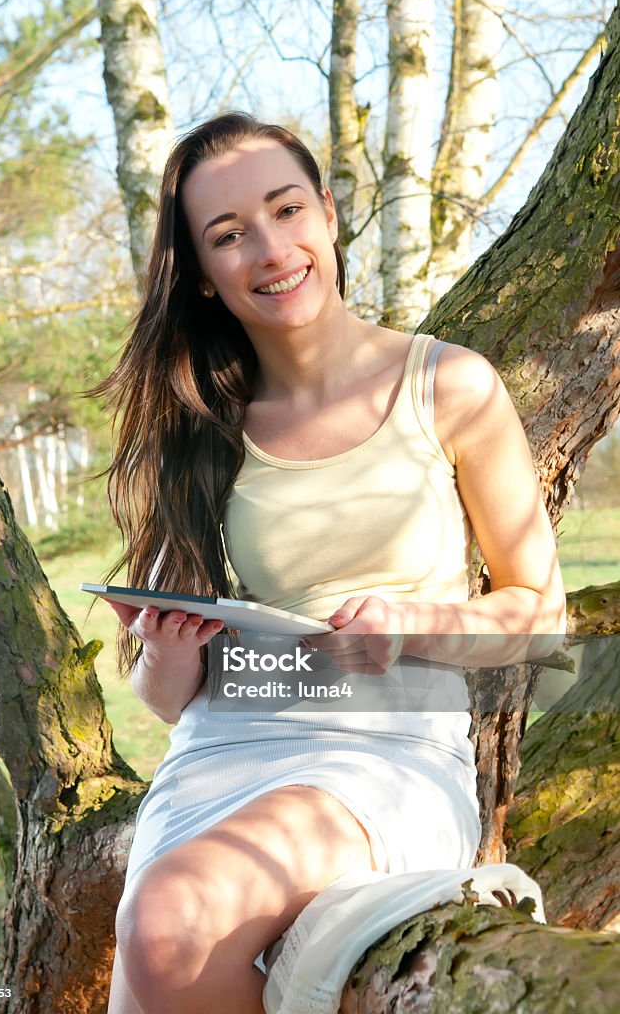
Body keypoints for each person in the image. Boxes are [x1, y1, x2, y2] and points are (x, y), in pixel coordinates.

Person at [97, 112, 566, 1014]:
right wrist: (171, 646)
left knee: (169, 919)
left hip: (387, 755)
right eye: (229, 235)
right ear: (201, 275)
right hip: (222, 751)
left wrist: (412, 624)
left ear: (330, 213)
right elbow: (164, 702)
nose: (270, 249)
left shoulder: (449, 386)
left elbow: (536, 612)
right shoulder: (196, 424)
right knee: (156, 947)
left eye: (286, 210)